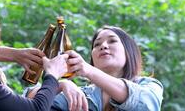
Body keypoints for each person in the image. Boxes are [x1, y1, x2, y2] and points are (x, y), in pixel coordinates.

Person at [26, 26, 163, 111]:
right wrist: (61, 84)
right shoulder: (82, 94)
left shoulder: (148, 85)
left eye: (112, 41)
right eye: (97, 44)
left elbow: (147, 105)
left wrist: (88, 70)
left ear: (129, 51)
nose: (103, 46)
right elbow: (30, 102)